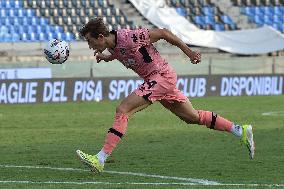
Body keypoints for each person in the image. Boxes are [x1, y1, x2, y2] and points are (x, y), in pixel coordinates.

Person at [76, 18, 255, 173]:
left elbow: (163, 33)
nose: (90, 45)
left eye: (90, 41)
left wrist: (189, 52)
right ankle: (240, 130)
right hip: (160, 80)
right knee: (192, 117)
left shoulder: (129, 37)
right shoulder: (114, 47)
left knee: (123, 109)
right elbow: (119, 54)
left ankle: (100, 159)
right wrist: (106, 58)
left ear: (100, 36)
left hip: (161, 76)